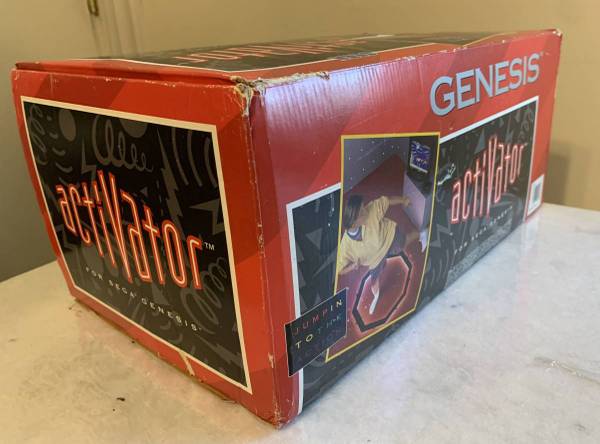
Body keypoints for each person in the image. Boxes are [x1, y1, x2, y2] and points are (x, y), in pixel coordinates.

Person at [337, 195, 427, 315]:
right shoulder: (345, 247)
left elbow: (387, 201)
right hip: (375, 260)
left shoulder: (371, 209)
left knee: (404, 242)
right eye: (362, 212)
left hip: (389, 236)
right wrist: (352, 267)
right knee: (374, 282)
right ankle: (376, 296)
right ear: (355, 222)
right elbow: (340, 270)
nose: (366, 211)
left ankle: (421, 234)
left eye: (363, 208)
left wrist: (404, 200)